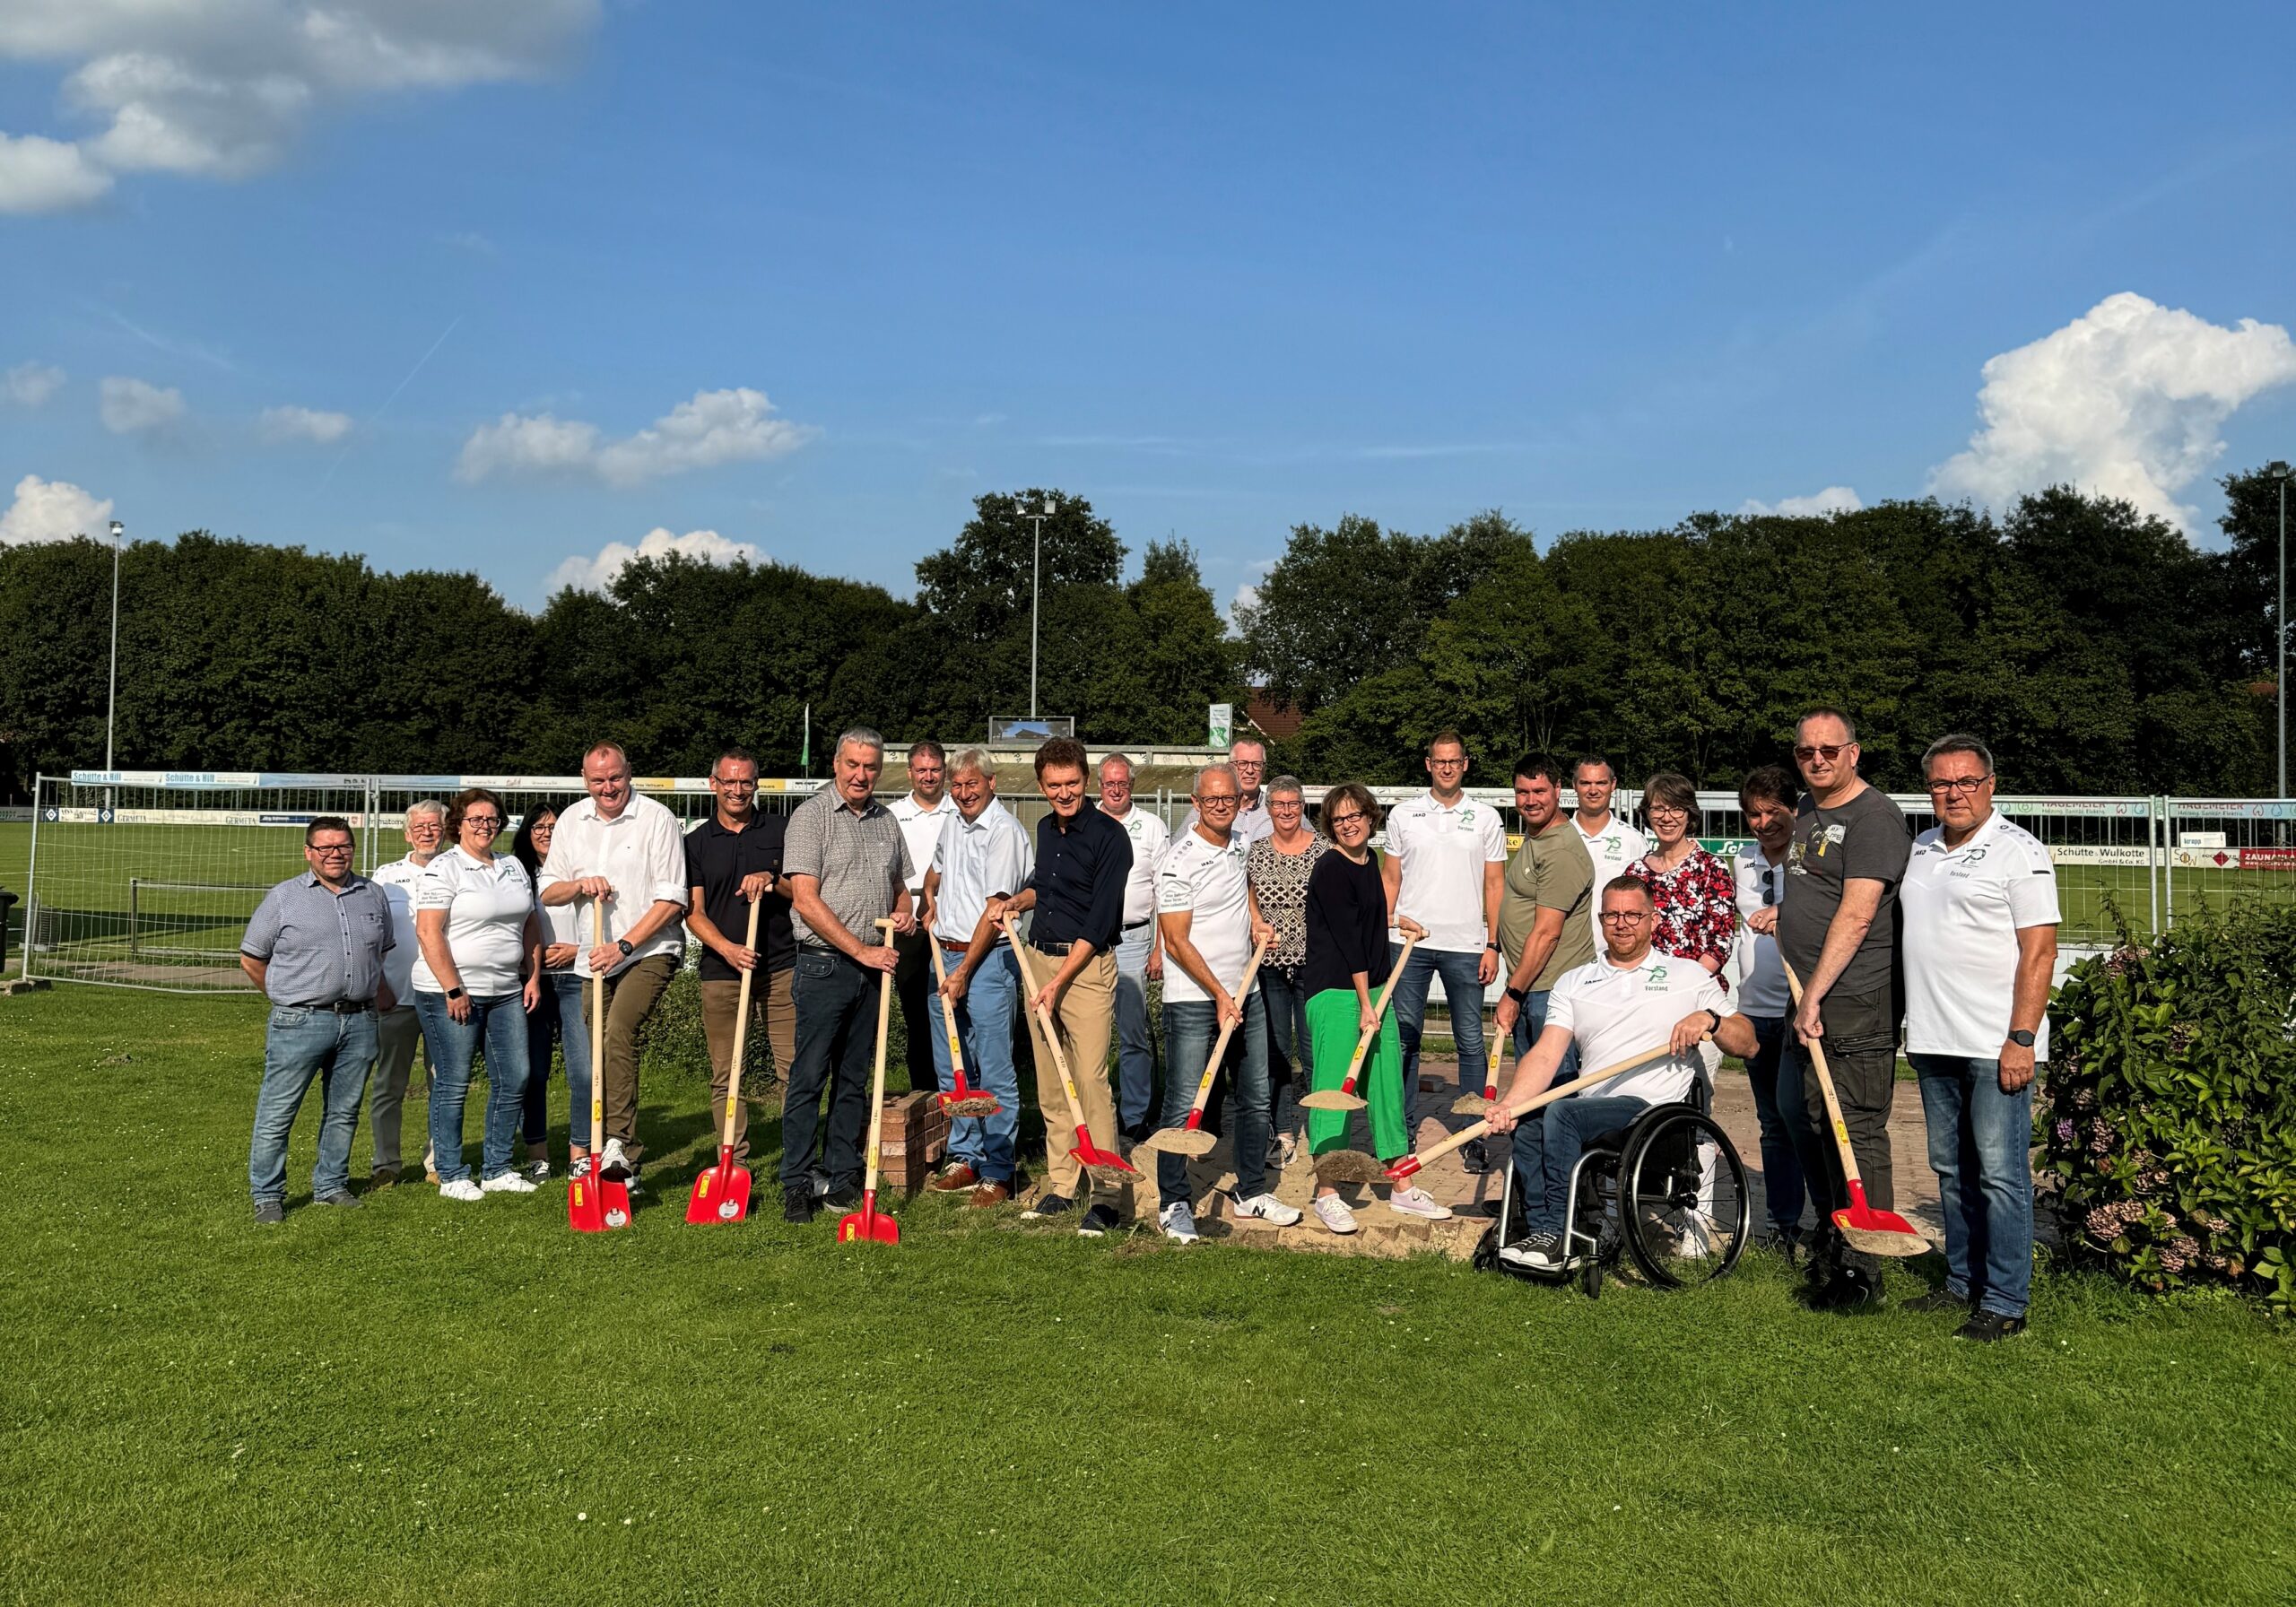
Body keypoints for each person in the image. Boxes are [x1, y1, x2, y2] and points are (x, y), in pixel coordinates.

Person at [1488, 876, 1761, 1269]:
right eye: (1612, 914)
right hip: (1593, 1109)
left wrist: (1712, 1019)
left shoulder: (1687, 976)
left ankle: (1554, 1234)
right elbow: (1547, 1053)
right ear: (1600, 920)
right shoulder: (1575, 981)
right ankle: (1539, 1230)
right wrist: (1511, 1104)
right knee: (1531, 1118)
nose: (1622, 922)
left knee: (1560, 1113)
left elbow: (1748, 1043)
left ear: (1653, 919)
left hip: (1652, 1111)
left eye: (1633, 914)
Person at [1901, 734, 2058, 1342]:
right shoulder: (1920, 848)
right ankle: (1961, 1283)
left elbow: (2039, 951)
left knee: (1999, 1174)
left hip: (1996, 1045)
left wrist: (2022, 1037)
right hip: (1933, 1040)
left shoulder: (2020, 852)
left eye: (1967, 782)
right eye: (1942, 783)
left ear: (1991, 786)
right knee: (1949, 1170)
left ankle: (2005, 1299)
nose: (1954, 793)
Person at [1779, 708, 1912, 1309]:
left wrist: (1814, 994)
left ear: (1854, 753)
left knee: (1856, 1130)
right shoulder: (1809, 810)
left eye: (1830, 750)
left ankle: (1865, 1274)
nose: (1818, 760)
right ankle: (1837, 1246)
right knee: (1820, 1126)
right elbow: (1815, 893)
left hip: (1851, 999)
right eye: (1807, 752)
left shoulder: (1874, 817)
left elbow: (1858, 913)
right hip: (1814, 998)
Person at [981, 737, 1131, 1236]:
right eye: (1053, 785)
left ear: (1085, 781)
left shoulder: (1111, 838)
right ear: (1042, 785)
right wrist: (1014, 903)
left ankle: (1107, 1194)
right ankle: (1063, 1185)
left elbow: (1099, 918)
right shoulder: (1046, 829)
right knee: (1050, 1084)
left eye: (1071, 783)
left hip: (1084, 970)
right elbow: (1046, 889)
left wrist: (1059, 982)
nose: (1063, 793)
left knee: (1089, 1081)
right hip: (1038, 963)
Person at [1152, 761, 1297, 1243]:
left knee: (1256, 1098)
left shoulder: (1238, 845)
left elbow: (1244, 892)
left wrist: (1256, 921)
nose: (1220, 805)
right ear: (1196, 803)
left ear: (1241, 802)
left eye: (1228, 799)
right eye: (1211, 798)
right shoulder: (1178, 860)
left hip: (1247, 992)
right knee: (1183, 1103)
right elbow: (1174, 940)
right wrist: (1218, 994)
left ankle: (1251, 1189)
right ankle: (1173, 1201)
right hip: (1194, 1000)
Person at [536, 743, 690, 1191]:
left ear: (629, 773)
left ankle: (623, 1147)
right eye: (598, 780)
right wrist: (578, 884)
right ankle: (597, 1151)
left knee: (619, 1032)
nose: (608, 787)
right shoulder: (571, 821)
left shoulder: (656, 819)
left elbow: (672, 898)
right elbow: (548, 891)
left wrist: (623, 945)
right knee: (593, 1054)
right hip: (593, 956)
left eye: (616, 778)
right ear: (585, 780)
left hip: (648, 949)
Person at [1299, 784, 1450, 1233]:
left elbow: (1363, 917)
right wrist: (1367, 1003)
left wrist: (1395, 919)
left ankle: (1401, 1185)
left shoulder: (1369, 863)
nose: (1348, 824)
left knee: (1386, 1086)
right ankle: (1327, 1190)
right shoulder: (1330, 867)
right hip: (1338, 993)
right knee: (1334, 1092)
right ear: (1331, 825)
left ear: (1370, 817)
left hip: (1373, 990)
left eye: (1355, 816)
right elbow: (1347, 940)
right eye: (1339, 819)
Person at [778, 728, 915, 1223]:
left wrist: (904, 913)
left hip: (874, 970)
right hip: (824, 966)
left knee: (854, 1080)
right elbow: (805, 900)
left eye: (871, 767)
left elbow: (901, 887)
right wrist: (862, 950)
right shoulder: (811, 818)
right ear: (836, 764)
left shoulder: (887, 821)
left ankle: (842, 1177)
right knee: (809, 1077)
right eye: (853, 765)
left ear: (880, 770)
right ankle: (796, 1181)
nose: (861, 775)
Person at [239, 817, 398, 1223]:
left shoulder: (373, 895)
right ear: (308, 851)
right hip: (301, 1021)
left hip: (360, 1021)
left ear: (353, 848)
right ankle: (268, 1195)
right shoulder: (284, 898)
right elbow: (252, 957)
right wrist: (281, 997)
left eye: (343, 846)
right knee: (278, 1113)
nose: (335, 854)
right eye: (325, 848)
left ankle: (330, 1185)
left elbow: (380, 952)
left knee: (344, 1111)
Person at [1381, 730, 1508, 1173]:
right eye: (1440, 761)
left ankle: (1472, 1135)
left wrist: (1492, 944)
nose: (1447, 768)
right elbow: (1391, 880)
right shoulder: (1403, 814)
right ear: (1428, 763)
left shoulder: (1487, 818)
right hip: (1409, 944)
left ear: (1466, 764)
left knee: (1471, 1042)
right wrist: (1386, 930)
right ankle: (1402, 1129)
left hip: (1466, 945)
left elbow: (1495, 884)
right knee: (1406, 1039)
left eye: (1455, 761)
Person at [412, 788, 543, 1202]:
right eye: (476, 820)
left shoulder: (513, 866)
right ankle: (451, 1173)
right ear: (458, 824)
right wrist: (453, 987)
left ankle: (498, 1167)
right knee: (453, 1082)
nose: (485, 827)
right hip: (449, 992)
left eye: (492, 820)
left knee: (515, 1076)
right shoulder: (444, 868)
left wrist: (533, 975)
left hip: (507, 991)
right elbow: (428, 931)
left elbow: (529, 924)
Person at [922, 749, 1034, 1207]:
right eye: (957, 785)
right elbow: (937, 870)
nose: (964, 793)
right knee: (954, 1066)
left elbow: (995, 912)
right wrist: (930, 897)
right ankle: (963, 1156)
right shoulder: (953, 823)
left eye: (973, 784)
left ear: (992, 783)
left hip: (985, 962)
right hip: (943, 955)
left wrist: (966, 969)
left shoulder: (1003, 832)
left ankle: (998, 1169)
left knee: (993, 1069)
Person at [683, 749, 796, 1178]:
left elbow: (800, 892)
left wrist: (771, 878)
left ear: (756, 784)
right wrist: (728, 949)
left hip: (781, 966)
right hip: (722, 972)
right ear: (713, 784)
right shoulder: (695, 842)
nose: (737, 790)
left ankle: (797, 1159)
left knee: (793, 1069)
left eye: (745, 782)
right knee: (727, 1073)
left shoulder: (781, 831)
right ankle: (735, 1161)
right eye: (728, 782)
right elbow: (693, 912)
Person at [1729, 765, 1806, 1250]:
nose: (1763, 823)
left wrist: (1789, 913)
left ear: (1794, 811)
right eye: (1754, 814)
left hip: (1802, 1008)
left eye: (1772, 812)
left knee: (1807, 1118)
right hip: (1756, 1010)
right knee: (1773, 1123)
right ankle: (1784, 1224)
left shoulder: (1811, 861)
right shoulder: (1741, 861)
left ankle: (1833, 1216)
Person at [1492, 758, 1595, 1084]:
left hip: (1550, 990)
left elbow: (1548, 933)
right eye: (1523, 792)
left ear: (1558, 790)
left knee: (1553, 1090)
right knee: (1531, 1090)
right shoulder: (1538, 836)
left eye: (1539, 791)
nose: (1531, 800)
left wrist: (1512, 994)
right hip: (1533, 986)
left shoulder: (1560, 849)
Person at [1245, 775, 1324, 1167]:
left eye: (1294, 804)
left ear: (1303, 807)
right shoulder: (1255, 852)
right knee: (1276, 1050)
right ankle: (1283, 1130)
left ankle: (1322, 1132)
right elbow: (1247, 898)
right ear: (1269, 809)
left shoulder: (1324, 851)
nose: (1287, 811)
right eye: (1279, 805)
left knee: (1313, 1052)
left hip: (1313, 963)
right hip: (1271, 963)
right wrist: (1258, 923)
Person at [367, 799, 442, 1187]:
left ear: (445, 829)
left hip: (444, 996)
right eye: (420, 827)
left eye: (434, 826)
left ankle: (438, 1162)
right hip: (394, 997)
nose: (427, 832)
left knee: (441, 1084)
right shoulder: (386, 877)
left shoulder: (457, 870)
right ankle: (386, 1163)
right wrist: (379, 984)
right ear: (407, 833)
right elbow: (372, 936)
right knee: (389, 1084)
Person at [511, 798, 585, 1183]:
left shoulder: (580, 867)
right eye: (539, 827)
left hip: (577, 974)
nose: (547, 833)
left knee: (584, 1072)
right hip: (533, 982)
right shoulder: (516, 873)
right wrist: (532, 967)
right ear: (527, 833)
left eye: (554, 826)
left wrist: (578, 950)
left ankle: (580, 1154)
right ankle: (537, 1154)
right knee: (534, 1072)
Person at [1098, 751, 1168, 1142]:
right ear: (1099, 786)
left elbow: (1164, 892)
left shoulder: (1152, 826)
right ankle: (1096, 1112)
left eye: (1123, 783)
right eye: (1110, 784)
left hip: (1135, 937)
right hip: (1091, 940)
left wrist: (1159, 948)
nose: (1117, 790)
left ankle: (1135, 1114)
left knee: (1133, 1031)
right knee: (1089, 1032)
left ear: (1132, 785)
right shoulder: (1086, 821)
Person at [889, 738, 959, 1093]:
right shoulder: (893, 814)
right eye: (921, 770)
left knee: (956, 1015)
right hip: (912, 927)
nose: (928, 777)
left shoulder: (961, 808)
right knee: (918, 1018)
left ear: (944, 771)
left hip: (956, 924)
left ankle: (960, 1094)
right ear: (910, 773)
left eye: (934, 770)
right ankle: (926, 1096)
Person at [1626, 771, 1738, 978]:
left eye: (1677, 809)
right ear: (1648, 814)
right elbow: (1628, 934)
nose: (1667, 818)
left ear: (1689, 815)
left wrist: (1684, 985)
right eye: (1658, 808)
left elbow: (1721, 941)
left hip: (1697, 990)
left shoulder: (1712, 868)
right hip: (1645, 988)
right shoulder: (1636, 873)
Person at [1570, 757, 1648, 948]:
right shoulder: (1556, 838)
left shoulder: (1633, 841)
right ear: (1574, 785)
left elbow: (1646, 903)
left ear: (1613, 785)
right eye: (1585, 783)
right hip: (1566, 955)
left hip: (1617, 954)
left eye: (1601, 783)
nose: (1593, 790)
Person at [1182, 735, 1274, 847]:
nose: (1250, 770)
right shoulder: (1206, 808)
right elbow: (1179, 847)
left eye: (1256, 764)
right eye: (1242, 764)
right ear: (1230, 766)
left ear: (1264, 769)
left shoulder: (1279, 810)